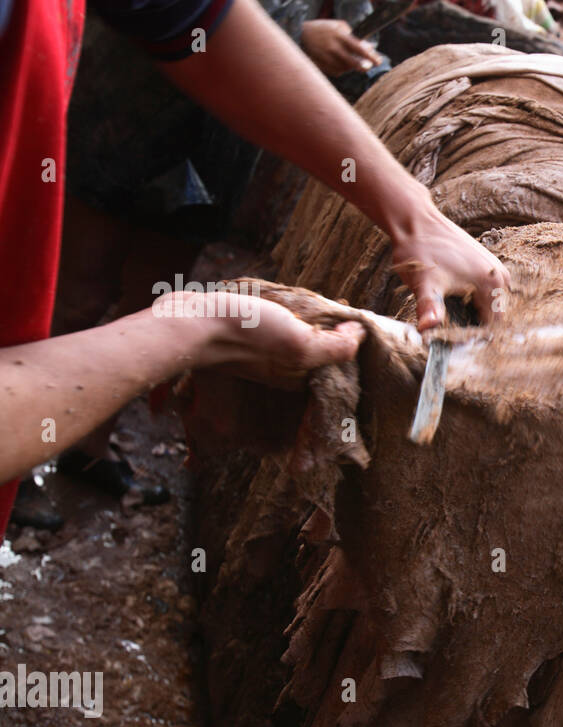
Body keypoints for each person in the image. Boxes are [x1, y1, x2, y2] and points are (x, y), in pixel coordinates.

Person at [0, 0, 511, 534]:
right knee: (77, 290)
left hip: (209, 143)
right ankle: (32, 462)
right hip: (123, 116)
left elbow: (192, 16)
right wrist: (202, 331)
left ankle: (86, 445)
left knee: (149, 280)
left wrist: (414, 216)